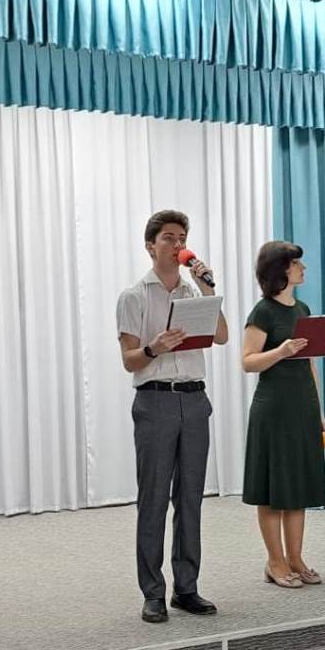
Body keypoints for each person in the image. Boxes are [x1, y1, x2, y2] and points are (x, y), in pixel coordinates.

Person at [116, 210, 229, 623]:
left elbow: (221, 336)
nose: (177, 244)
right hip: (156, 401)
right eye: (168, 237)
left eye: (182, 238)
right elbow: (129, 360)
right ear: (150, 246)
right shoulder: (133, 296)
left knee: (190, 497)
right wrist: (154, 348)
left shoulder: (193, 294)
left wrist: (207, 289)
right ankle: (152, 592)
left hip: (194, 401)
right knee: (153, 499)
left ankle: (187, 588)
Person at [242, 241, 325, 589]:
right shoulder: (263, 312)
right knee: (272, 489)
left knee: (296, 487)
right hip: (273, 408)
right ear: (281, 270)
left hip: (302, 405)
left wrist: (319, 410)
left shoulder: (303, 309)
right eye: (296, 264)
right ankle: (274, 561)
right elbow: (248, 362)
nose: (303, 268)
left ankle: (295, 558)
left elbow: (310, 364)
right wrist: (280, 351)